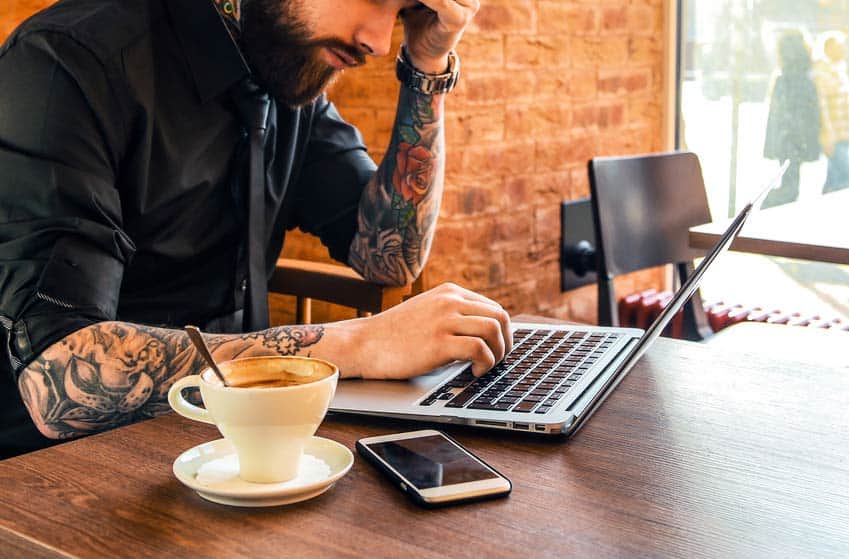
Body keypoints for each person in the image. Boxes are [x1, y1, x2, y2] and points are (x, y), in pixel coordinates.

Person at [0, 0, 512, 458]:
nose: (379, 42)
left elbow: (390, 256)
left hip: (234, 442)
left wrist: (427, 65)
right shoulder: (67, 61)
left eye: (400, 13)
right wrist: (360, 343)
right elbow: (57, 380)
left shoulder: (286, 76)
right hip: (56, 472)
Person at [762, 30, 820, 208]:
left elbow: (777, 116)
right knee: (790, 188)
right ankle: (761, 212)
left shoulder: (784, 77)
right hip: (793, 141)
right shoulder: (801, 78)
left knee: (790, 186)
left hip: (787, 140)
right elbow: (803, 114)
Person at [813, 31, 849, 194]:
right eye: (838, 47)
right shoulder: (821, 73)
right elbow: (823, 107)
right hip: (834, 135)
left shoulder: (840, 71)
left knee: (835, 180)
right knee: (844, 178)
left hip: (844, 134)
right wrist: (828, 136)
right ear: (827, 49)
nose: (843, 50)